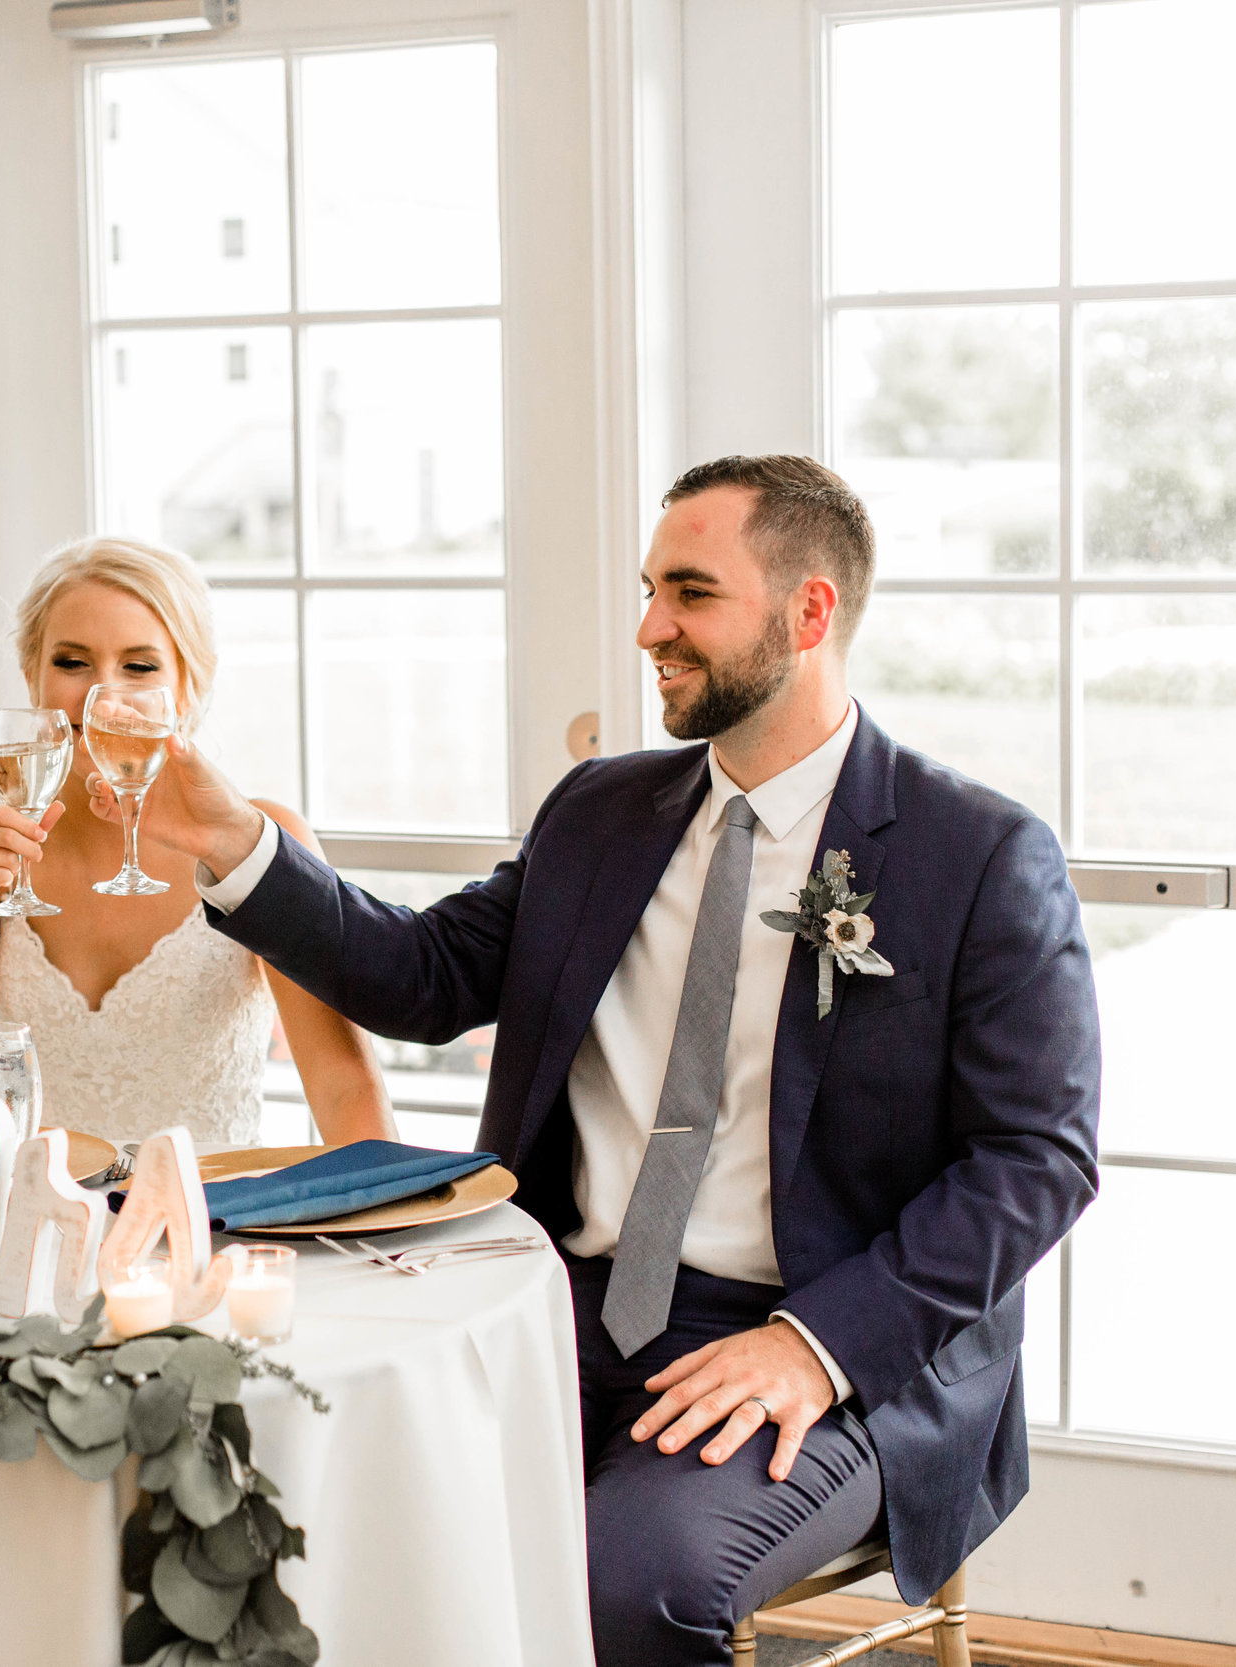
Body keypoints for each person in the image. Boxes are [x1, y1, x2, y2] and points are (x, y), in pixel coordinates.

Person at [98, 457, 1101, 1665]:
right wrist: (231, 839)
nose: (647, 628)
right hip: (554, 1300)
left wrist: (813, 1345)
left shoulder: (977, 852)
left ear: (810, 611)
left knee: (625, 1585)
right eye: (647, 589)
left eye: (688, 593)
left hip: (813, 1338)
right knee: (313, 1499)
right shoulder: (598, 811)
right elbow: (420, 977)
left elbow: (1035, 1159)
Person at [0, 535, 397, 1148]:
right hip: (41, 1228)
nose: (101, 695)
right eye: (71, 663)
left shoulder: (256, 842)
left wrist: (399, 1231)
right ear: (32, 677)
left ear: (187, 689)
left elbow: (344, 1086)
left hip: (210, 1224)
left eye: (138, 667)